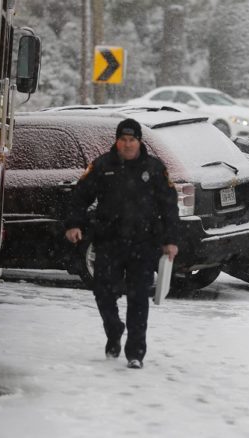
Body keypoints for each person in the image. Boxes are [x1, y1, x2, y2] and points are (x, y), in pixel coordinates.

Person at [64, 118, 179, 369]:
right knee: (103, 293)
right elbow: (80, 196)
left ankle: (135, 352)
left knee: (138, 299)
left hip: (143, 243)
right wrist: (75, 224)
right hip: (109, 242)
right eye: (123, 140)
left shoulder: (155, 169)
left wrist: (170, 240)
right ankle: (114, 330)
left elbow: (169, 206)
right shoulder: (102, 166)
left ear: (139, 142)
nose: (127, 145)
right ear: (117, 141)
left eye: (132, 140)